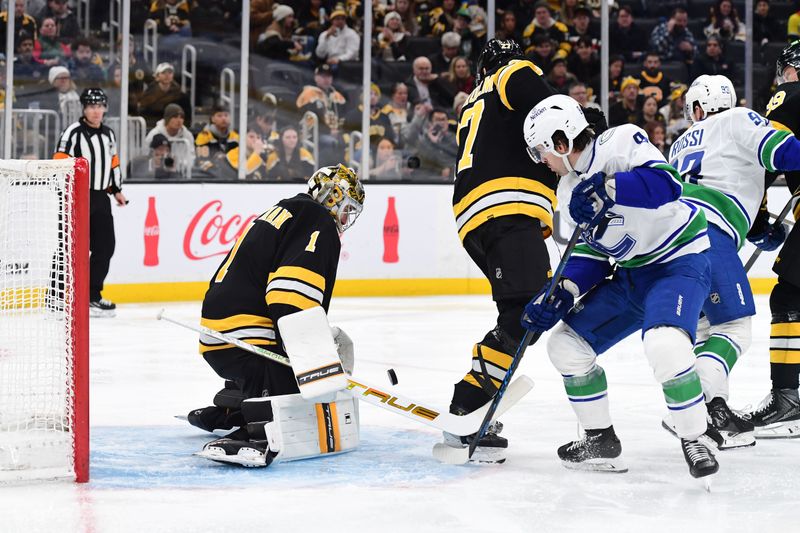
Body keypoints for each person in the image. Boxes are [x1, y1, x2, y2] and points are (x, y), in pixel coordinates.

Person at [521, 94, 718, 480]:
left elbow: (667, 184)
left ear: (561, 142)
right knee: (565, 345)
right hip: (630, 275)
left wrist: (608, 188)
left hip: (677, 261)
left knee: (665, 343)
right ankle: (600, 440)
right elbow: (590, 257)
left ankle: (696, 436)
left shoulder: (622, 142)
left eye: (540, 151)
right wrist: (561, 292)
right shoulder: (565, 191)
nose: (540, 160)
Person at [188, 165, 365, 467]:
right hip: (248, 338)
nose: (345, 219)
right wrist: (310, 357)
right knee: (305, 396)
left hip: (220, 336)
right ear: (330, 197)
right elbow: (289, 296)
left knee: (290, 380)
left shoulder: (285, 210)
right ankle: (255, 428)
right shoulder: (317, 219)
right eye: (345, 208)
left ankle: (231, 406)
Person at [667, 74, 800, 447]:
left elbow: (730, 185)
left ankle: (716, 409)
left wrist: (760, 230)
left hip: (667, 241)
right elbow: (783, 154)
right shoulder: (740, 120)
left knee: (707, 329)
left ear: (696, 108)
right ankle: (693, 411)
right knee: (735, 328)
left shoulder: (678, 143)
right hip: (707, 233)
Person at [442, 39, 556, 463]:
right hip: (507, 206)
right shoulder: (513, 73)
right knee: (530, 309)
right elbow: (551, 112)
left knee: (523, 309)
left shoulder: (474, 99)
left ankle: (473, 397)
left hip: (476, 216)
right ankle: (470, 399)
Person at [742, 41, 800, 435]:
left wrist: (757, 220)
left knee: (789, 298)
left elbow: (763, 155)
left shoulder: (791, 94)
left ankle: (786, 400)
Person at [54, 88, 126, 317]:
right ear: (84, 109)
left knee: (106, 246)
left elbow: (113, 162)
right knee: (70, 247)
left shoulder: (109, 134)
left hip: (100, 197)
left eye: (99, 106)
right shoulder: (73, 132)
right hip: (76, 196)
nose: (96, 111)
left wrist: (116, 190)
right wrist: (65, 192)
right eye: (91, 106)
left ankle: (92, 296)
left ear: (105, 108)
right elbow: (59, 161)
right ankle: (56, 298)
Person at [137, 62, 192, 128]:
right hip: (152, 128)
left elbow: (187, 117)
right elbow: (143, 115)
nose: (167, 75)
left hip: (175, 130)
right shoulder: (147, 95)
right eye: (163, 73)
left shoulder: (181, 96)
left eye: (170, 73)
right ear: (157, 77)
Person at [145, 103, 196, 173]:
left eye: (181, 117)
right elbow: (145, 157)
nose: (179, 120)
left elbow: (191, 158)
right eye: (175, 117)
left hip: (181, 174)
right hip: (156, 174)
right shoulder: (154, 134)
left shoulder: (187, 135)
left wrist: (178, 165)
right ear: (167, 118)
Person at [196, 103, 239, 174]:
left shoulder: (236, 137)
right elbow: (201, 161)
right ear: (212, 119)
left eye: (226, 115)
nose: (223, 118)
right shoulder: (203, 136)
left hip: (233, 174)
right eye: (219, 115)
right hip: (211, 176)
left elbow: (241, 159)